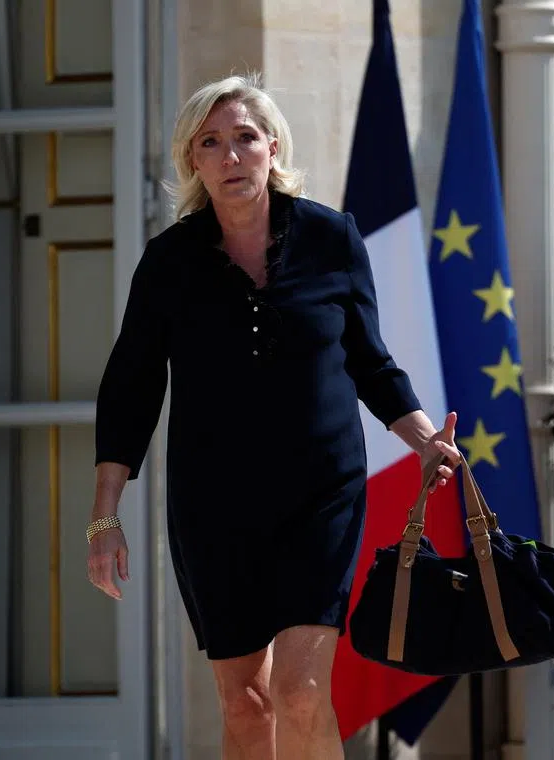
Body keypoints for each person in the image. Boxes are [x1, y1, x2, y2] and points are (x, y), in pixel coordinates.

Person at [85, 73, 463, 760]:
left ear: (272, 147)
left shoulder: (331, 238)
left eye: (245, 139)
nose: (232, 156)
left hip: (320, 497)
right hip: (213, 508)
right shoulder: (170, 262)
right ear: (192, 161)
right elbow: (130, 391)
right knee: (246, 701)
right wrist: (105, 517)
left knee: (298, 687)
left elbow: (370, 362)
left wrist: (422, 436)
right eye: (212, 143)